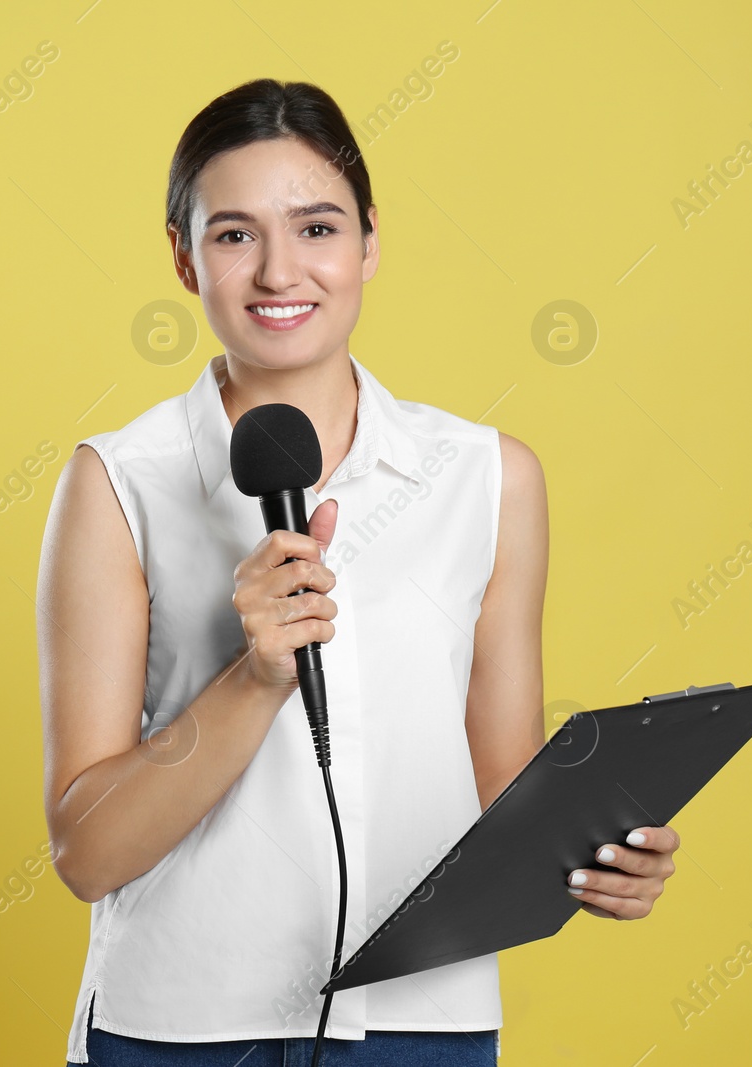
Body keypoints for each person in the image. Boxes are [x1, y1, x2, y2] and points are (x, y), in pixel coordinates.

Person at [36, 78, 680, 1067]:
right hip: (184, 1024)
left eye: (318, 226)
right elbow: (88, 852)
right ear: (183, 255)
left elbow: (506, 796)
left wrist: (602, 860)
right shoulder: (119, 483)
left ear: (369, 241)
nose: (279, 269)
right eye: (234, 234)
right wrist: (253, 677)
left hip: (421, 1021)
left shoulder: (485, 477)